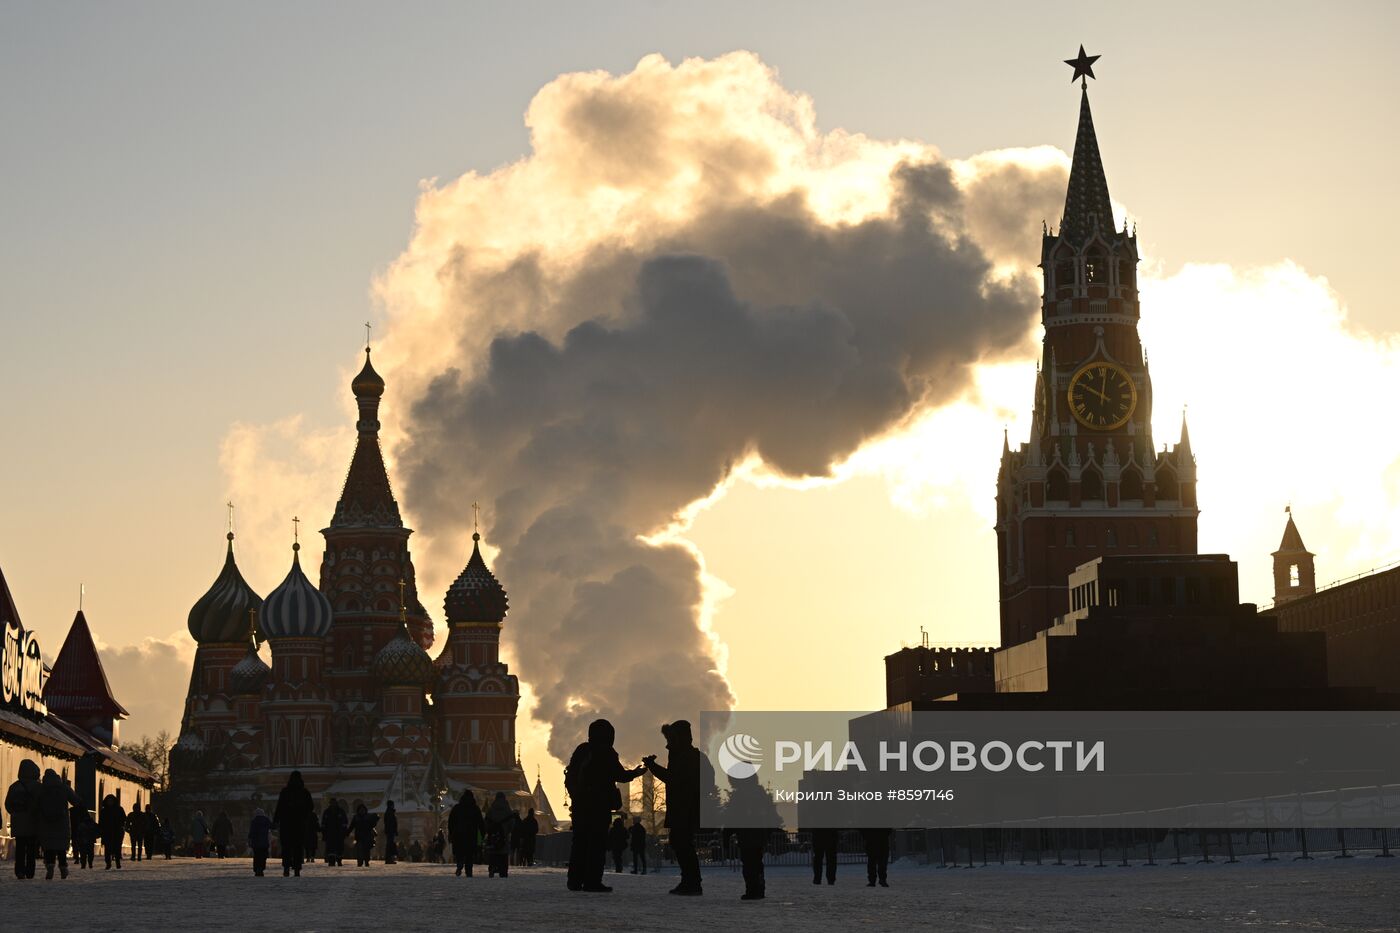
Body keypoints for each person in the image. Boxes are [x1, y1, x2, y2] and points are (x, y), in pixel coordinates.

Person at [565, 718, 644, 893]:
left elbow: (571, 774)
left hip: (580, 807)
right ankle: (593, 881)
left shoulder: (582, 750)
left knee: (579, 844)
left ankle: (575, 880)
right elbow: (620, 775)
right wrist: (636, 773)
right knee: (597, 845)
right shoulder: (607, 753)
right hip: (599, 807)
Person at [643, 719, 713, 896]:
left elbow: (672, 778)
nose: (668, 744)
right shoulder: (687, 755)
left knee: (682, 843)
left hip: (685, 808)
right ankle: (690, 881)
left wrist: (652, 767)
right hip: (684, 807)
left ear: (679, 738)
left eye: (671, 739)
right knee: (681, 843)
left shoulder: (685, 757)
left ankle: (692, 882)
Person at [724, 771, 781, 900]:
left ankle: (753, 890)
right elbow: (770, 815)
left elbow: (732, 817)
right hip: (758, 836)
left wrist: (726, 834)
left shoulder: (740, 796)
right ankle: (758, 889)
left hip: (747, 835)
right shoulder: (759, 793)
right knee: (756, 864)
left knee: (750, 865)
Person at [38, 770, 82, 879]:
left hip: (46, 822)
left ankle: (50, 866)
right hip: (61, 823)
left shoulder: (41, 789)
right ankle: (63, 867)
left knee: (49, 846)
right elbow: (76, 801)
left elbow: (35, 804)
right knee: (61, 847)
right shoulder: (64, 788)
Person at [272, 770, 314, 877]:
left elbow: (279, 807)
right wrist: (305, 816)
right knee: (297, 847)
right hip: (299, 824)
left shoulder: (285, 791)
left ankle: (286, 867)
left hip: (287, 823)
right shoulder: (304, 792)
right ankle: (296, 868)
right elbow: (310, 807)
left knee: (287, 846)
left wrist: (276, 821)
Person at [5, 758, 42, 879]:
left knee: (20, 849)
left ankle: (19, 871)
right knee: (31, 849)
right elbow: (42, 804)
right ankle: (30, 871)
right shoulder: (38, 787)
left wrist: (16, 813)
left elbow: (8, 804)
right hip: (33, 822)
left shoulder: (14, 787)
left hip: (18, 823)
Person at [448, 791, 484, 877]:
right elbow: (481, 823)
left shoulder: (457, 808)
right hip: (471, 835)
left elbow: (451, 822)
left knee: (460, 852)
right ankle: (469, 871)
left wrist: (451, 833)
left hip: (459, 835)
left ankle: (459, 864)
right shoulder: (475, 808)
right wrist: (482, 835)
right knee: (469, 854)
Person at [484, 792, 516, 878]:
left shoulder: (491, 809)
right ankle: (503, 871)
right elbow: (512, 824)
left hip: (493, 838)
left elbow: (486, 823)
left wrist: (489, 831)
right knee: (503, 856)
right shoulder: (508, 810)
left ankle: (492, 868)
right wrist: (507, 831)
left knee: (493, 854)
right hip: (504, 838)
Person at [99, 793, 127, 870]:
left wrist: (121, 825)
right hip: (107, 832)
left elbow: (124, 818)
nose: (110, 802)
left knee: (117, 847)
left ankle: (117, 862)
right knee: (107, 848)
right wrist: (101, 830)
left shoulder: (119, 809)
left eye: (111, 801)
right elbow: (101, 821)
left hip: (117, 831)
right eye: (109, 801)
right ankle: (108, 863)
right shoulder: (104, 811)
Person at [349, 802, 379, 867]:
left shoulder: (368, 817)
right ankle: (360, 861)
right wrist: (347, 833)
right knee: (359, 850)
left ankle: (366, 861)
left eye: (363, 810)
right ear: (358, 810)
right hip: (359, 836)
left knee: (366, 850)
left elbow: (373, 824)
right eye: (360, 810)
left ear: (365, 810)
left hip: (367, 836)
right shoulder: (356, 817)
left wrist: (376, 819)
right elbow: (352, 826)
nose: (362, 811)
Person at [321, 799, 348, 866]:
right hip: (329, 833)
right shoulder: (327, 812)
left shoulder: (341, 811)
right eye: (331, 803)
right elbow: (323, 823)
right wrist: (324, 832)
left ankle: (339, 860)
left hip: (339, 833)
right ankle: (331, 861)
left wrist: (344, 831)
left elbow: (345, 822)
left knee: (340, 847)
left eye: (334, 803)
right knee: (330, 848)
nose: (333, 804)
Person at [248, 808, 272, 876]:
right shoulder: (266, 820)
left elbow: (251, 832)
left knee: (256, 856)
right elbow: (272, 826)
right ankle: (261, 868)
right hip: (264, 843)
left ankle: (257, 869)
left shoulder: (254, 821)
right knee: (263, 856)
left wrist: (249, 839)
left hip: (256, 843)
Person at [72, 804, 97, 869]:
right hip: (88, 838)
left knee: (83, 852)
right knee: (89, 852)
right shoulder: (90, 821)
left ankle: (83, 863)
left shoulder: (74, 814)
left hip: (83, 838)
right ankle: (88, 863)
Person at [383, 800, 399, 864]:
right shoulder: (390, 812)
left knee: (390, 845)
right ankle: (389, 859)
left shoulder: (388, 812)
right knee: (390, 845)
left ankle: (389, 859)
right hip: (390, 831)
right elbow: (391, 823)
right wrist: (394, 830)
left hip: (389, 831)